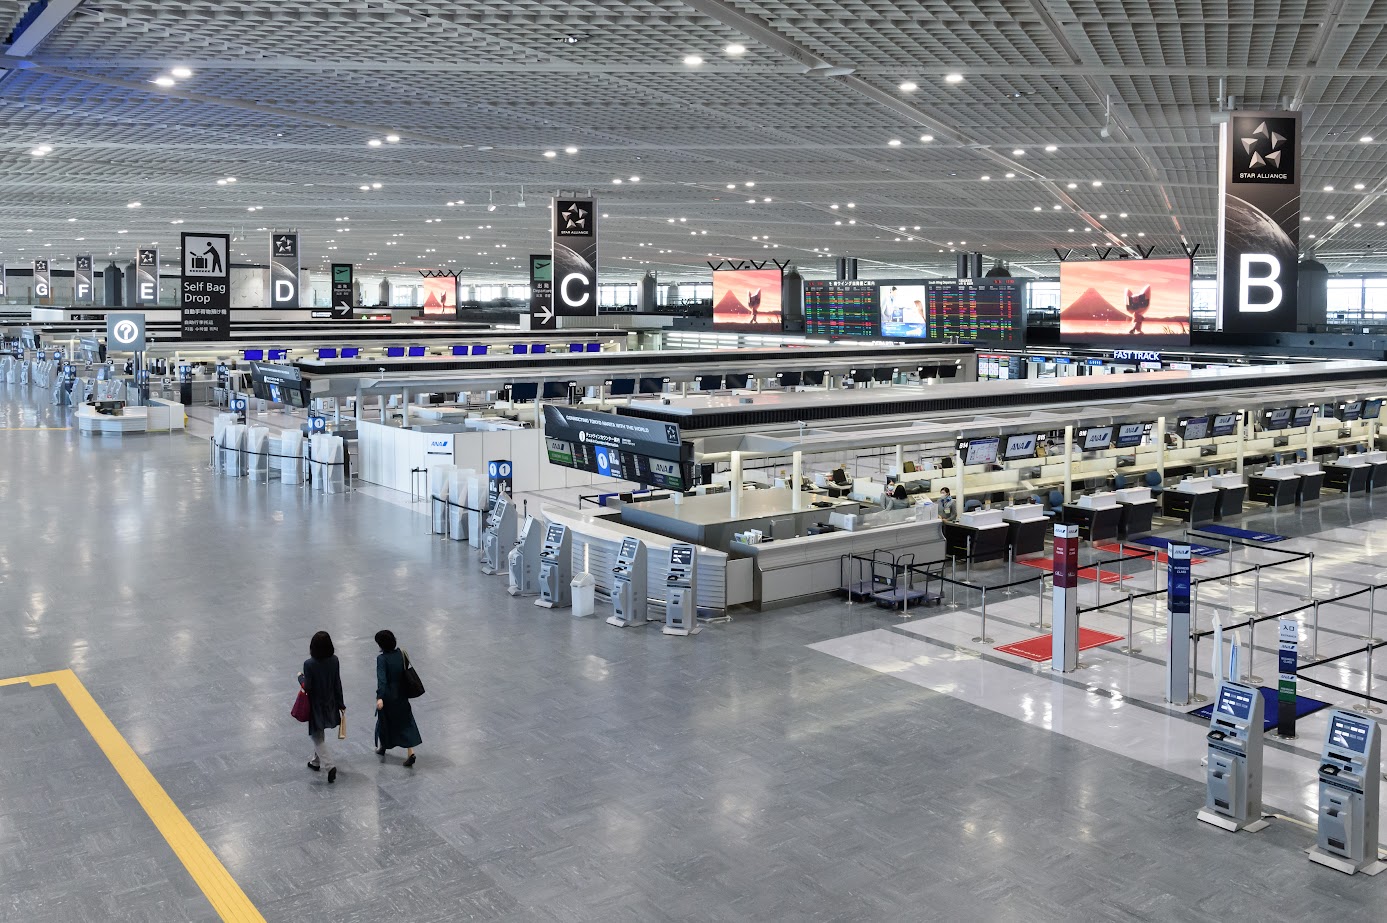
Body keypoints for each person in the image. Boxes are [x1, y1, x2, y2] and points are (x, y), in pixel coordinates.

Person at [374, 630, 422, 767]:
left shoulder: (382, 659)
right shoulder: (401, 653)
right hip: (401, 693)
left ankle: (383, 746)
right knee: (407, 721)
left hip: (389, 696)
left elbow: (382, 680)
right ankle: (410, 752)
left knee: (384, 721)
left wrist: (380, 697)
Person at [302, 631, 345, 783]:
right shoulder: (334, 660)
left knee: (316, 735)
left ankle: (329, 765)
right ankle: (315, 761)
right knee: (319, 733)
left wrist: (301, 678)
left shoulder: (309, 664)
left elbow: (308, 686)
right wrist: (341, 703)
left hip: (316, 705)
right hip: (330, 701)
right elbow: (337, 682)